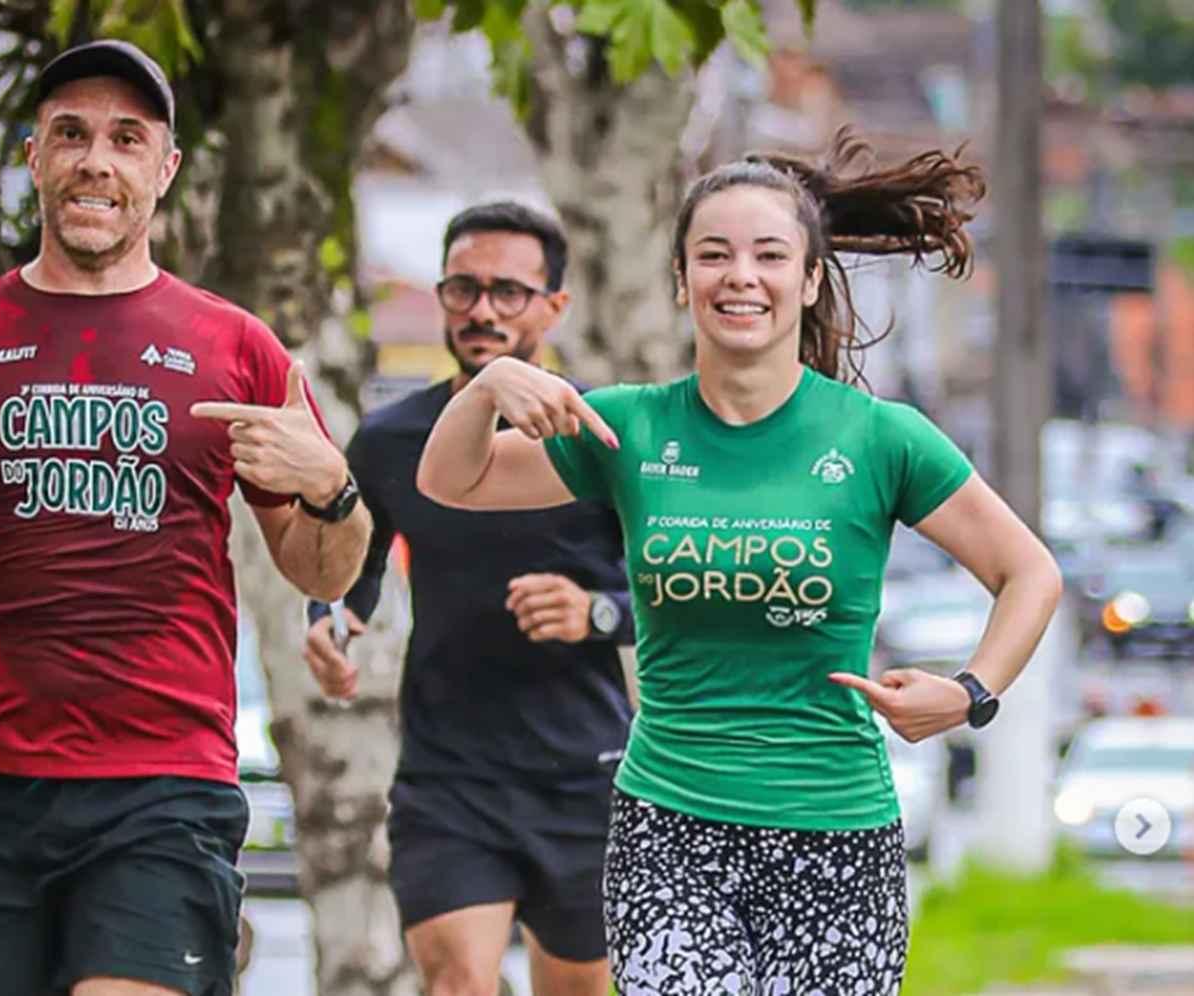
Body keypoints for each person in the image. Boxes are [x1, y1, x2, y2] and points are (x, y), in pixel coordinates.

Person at [0, 39, 369, 996]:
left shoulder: (239, 350)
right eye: (72, 134)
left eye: (128, 139)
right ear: (33, 156)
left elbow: (322, 570)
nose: (98, 159)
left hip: (162, 785)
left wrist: (334, 488)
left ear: (163, 171)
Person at [416, 131, 1065, 995]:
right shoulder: (629, 429)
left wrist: (970, 692)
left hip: (838, 833)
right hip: (671, 830)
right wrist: (492, 381)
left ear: (806, 280)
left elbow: (1030, 574)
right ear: (683, 281)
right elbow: (453, 481)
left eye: (769, 255)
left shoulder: (881, 439)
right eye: (713, 255)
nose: (741, 276)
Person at [302, 201, 635, 996]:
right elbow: (358, 566)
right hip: (450, 774)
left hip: (583, 773)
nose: (482, 309)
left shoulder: (607, 435)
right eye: (462, 288)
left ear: (556, 305)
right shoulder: (391, 440)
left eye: (509, 292)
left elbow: (673, 592)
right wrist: (330, 625)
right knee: (456, 982)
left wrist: (597, 612)